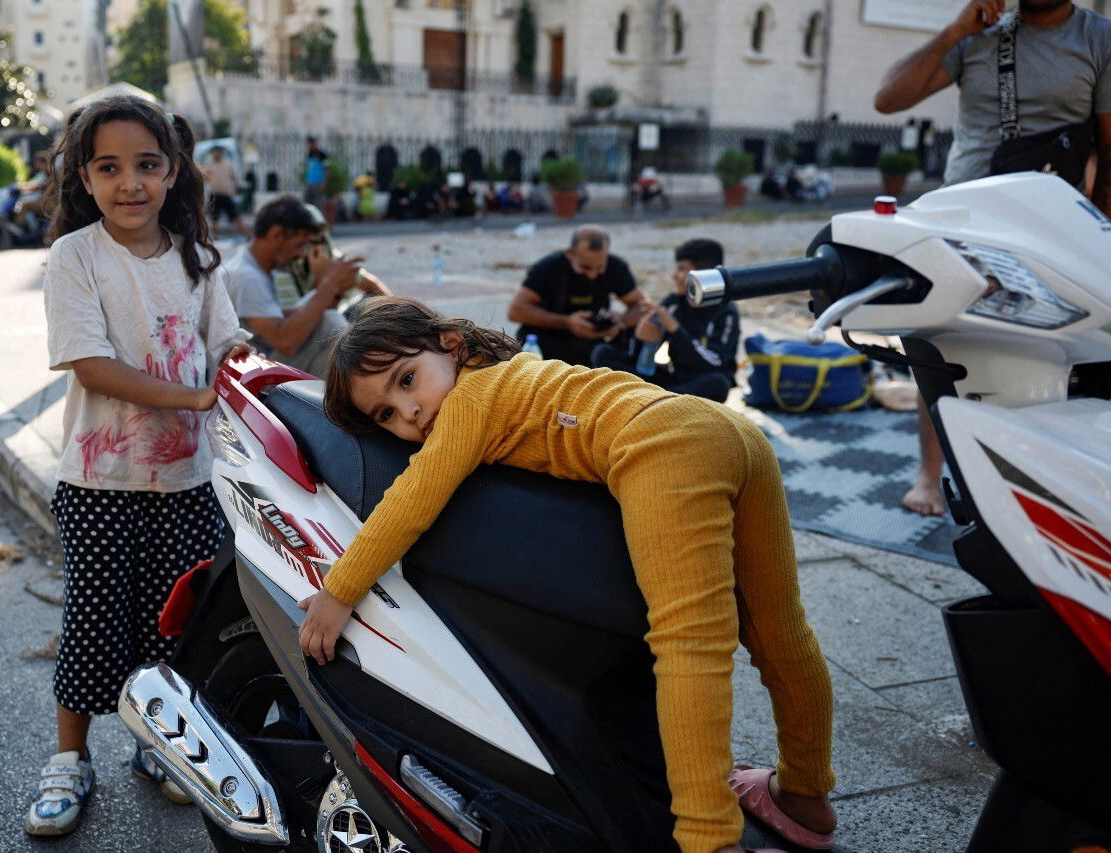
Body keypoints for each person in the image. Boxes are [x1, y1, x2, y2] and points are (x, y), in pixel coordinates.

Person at [299, 296, 838, 853]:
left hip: (663, 447)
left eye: (407, 379)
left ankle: (708, 839)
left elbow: (411, 500)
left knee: (689, 644)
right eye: (385, 413)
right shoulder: (511, 374)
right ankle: (804, 792)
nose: (408, 411)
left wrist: (339, 590)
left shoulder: (470, 400)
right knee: (780, 631)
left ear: (452, 346)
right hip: (730, 430)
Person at [30, 95, 251, 836]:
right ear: (84, 179)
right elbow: (92, 365)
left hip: (190, 481)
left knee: (174, 627)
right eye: (109, 167)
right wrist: (195, 395)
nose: (131, 183)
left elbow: (229, 346)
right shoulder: (76, 256)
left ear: (173, 170)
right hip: (99, 484)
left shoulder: (199, 258)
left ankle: (158, 744)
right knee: (95, 620)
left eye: (147, 165)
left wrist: (263, 381)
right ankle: (69, 759)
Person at [874, 0, 1111, 515]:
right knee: (939, 340)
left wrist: (1099, 238)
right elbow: (888, 100)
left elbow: (1109, 153)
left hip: (1049, 226)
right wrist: (956, 30)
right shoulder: (978, 35)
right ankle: (930, 474)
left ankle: (1036, 477)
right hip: (962, 217)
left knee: (1043, 350)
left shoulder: (1099, 38)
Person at [222, 194, 370, 377]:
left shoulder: (249, 263)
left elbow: (276, 316)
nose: (301, 254)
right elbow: (286, 342)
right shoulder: (247, 276)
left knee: (328, 321)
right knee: (331, 326)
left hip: (258, 364)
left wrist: (327, 288)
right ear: (276, 234)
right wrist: (327, 286)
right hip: (250, 377)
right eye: (298, 245)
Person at [591, 238, 739, 403]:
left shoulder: (725, 311)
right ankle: (659, 399)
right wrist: (641, 337)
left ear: (703, 274)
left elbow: (714, 363)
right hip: (673, 379)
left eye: (681, 269)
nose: (674, 275)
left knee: (718, 384)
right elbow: (641, 359)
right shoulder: (675, 301)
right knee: (603, 353)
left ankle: (654, 400)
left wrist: (675, 329)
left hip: (700, 383)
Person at [507, 225, 649, 366]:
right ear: (570, 253)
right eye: (585, 267)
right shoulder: (549, 268)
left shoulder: (616, 267)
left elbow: (644, 307)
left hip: (591, 348)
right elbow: (515, 311)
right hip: (548, 345)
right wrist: (567, 322)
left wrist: (620, 320)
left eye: (599, 267)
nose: (592, 274)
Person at [202, 145, 248, 238]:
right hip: (214, 193)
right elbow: (204, 178)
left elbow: (234, 178)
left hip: (225, 194)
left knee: (235, 214)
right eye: (213, 152)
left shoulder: (228, 164)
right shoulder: (210, 165)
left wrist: (235, 189)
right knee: (214, 216)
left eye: (217, 152)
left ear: (220, 153)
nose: (215, 154)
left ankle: (246, 234)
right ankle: (215, 236)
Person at [304, 136, 329, 214]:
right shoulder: (309, 154)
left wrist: (324, 183)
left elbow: (327, 169)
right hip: (309, 182)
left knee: (319, 204)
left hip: (318, 183)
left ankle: (321, 223)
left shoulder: (322, 155)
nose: (308, 146)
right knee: (307, 203)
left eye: (309, 144)